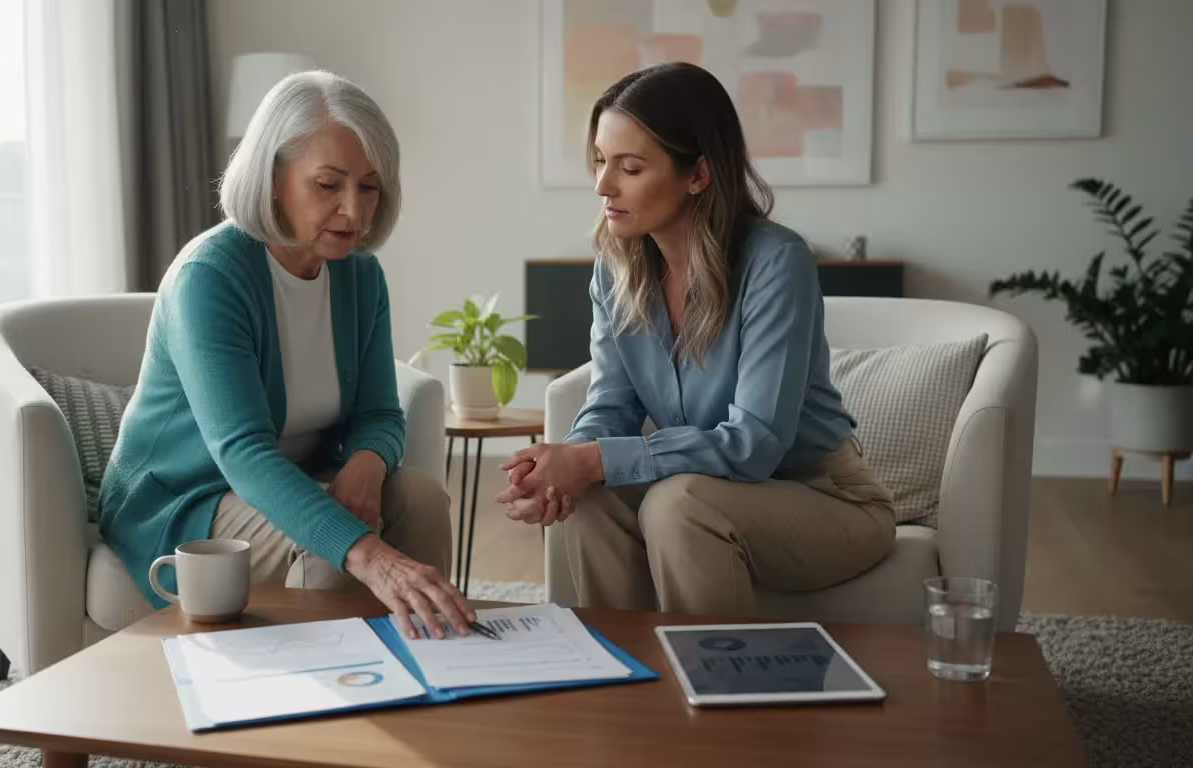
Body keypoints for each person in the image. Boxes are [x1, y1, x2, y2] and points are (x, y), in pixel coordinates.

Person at [496, 63, 895, 615]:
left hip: (825, 498)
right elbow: (610, 405)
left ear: (698, 175)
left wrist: (593, 460)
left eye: (629, 167)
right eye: (599, 162)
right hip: (701, 488)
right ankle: (620, 682)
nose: (602, 186)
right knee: (590, 500)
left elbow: (754, 444)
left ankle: (716, 685)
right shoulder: (615, 269)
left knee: (676, 505)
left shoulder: (777, 262)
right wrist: (565, 467)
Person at [99, 71, 471, 639]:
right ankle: (334, 699)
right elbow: (243, 452)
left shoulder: (360, 275)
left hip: (294, 476)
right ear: (272, 179)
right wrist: (371, 555)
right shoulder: (210, 278)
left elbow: (379, 413)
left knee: (418, 497)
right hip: (190, 497)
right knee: (335, 550)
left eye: (369, 187)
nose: (354, 210)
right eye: (328, 185)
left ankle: (438, 659)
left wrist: (370, 462)